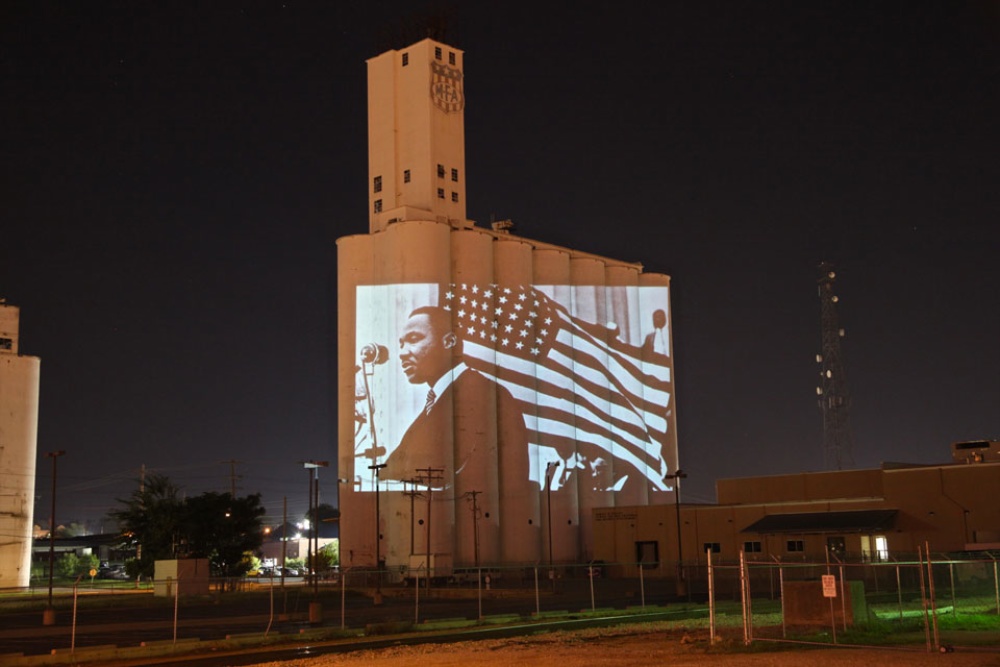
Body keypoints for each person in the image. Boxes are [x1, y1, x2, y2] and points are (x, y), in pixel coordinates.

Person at [382, 306, 530, 487]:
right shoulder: (438, 400)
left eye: (414, 340)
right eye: (401, 344)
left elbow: (477, 480)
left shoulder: (485, 395)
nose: (402, 353)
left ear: (450, 341)